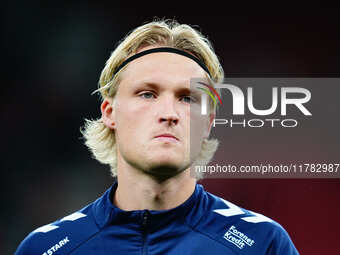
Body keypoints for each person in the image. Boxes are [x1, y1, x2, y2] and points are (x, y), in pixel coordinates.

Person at [15, 19, 299, 255]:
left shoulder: (263, 244)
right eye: (147, 94)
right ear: (109, 112)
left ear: (209, 123)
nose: (169, 113)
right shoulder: (45, 248)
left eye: (187, 98)